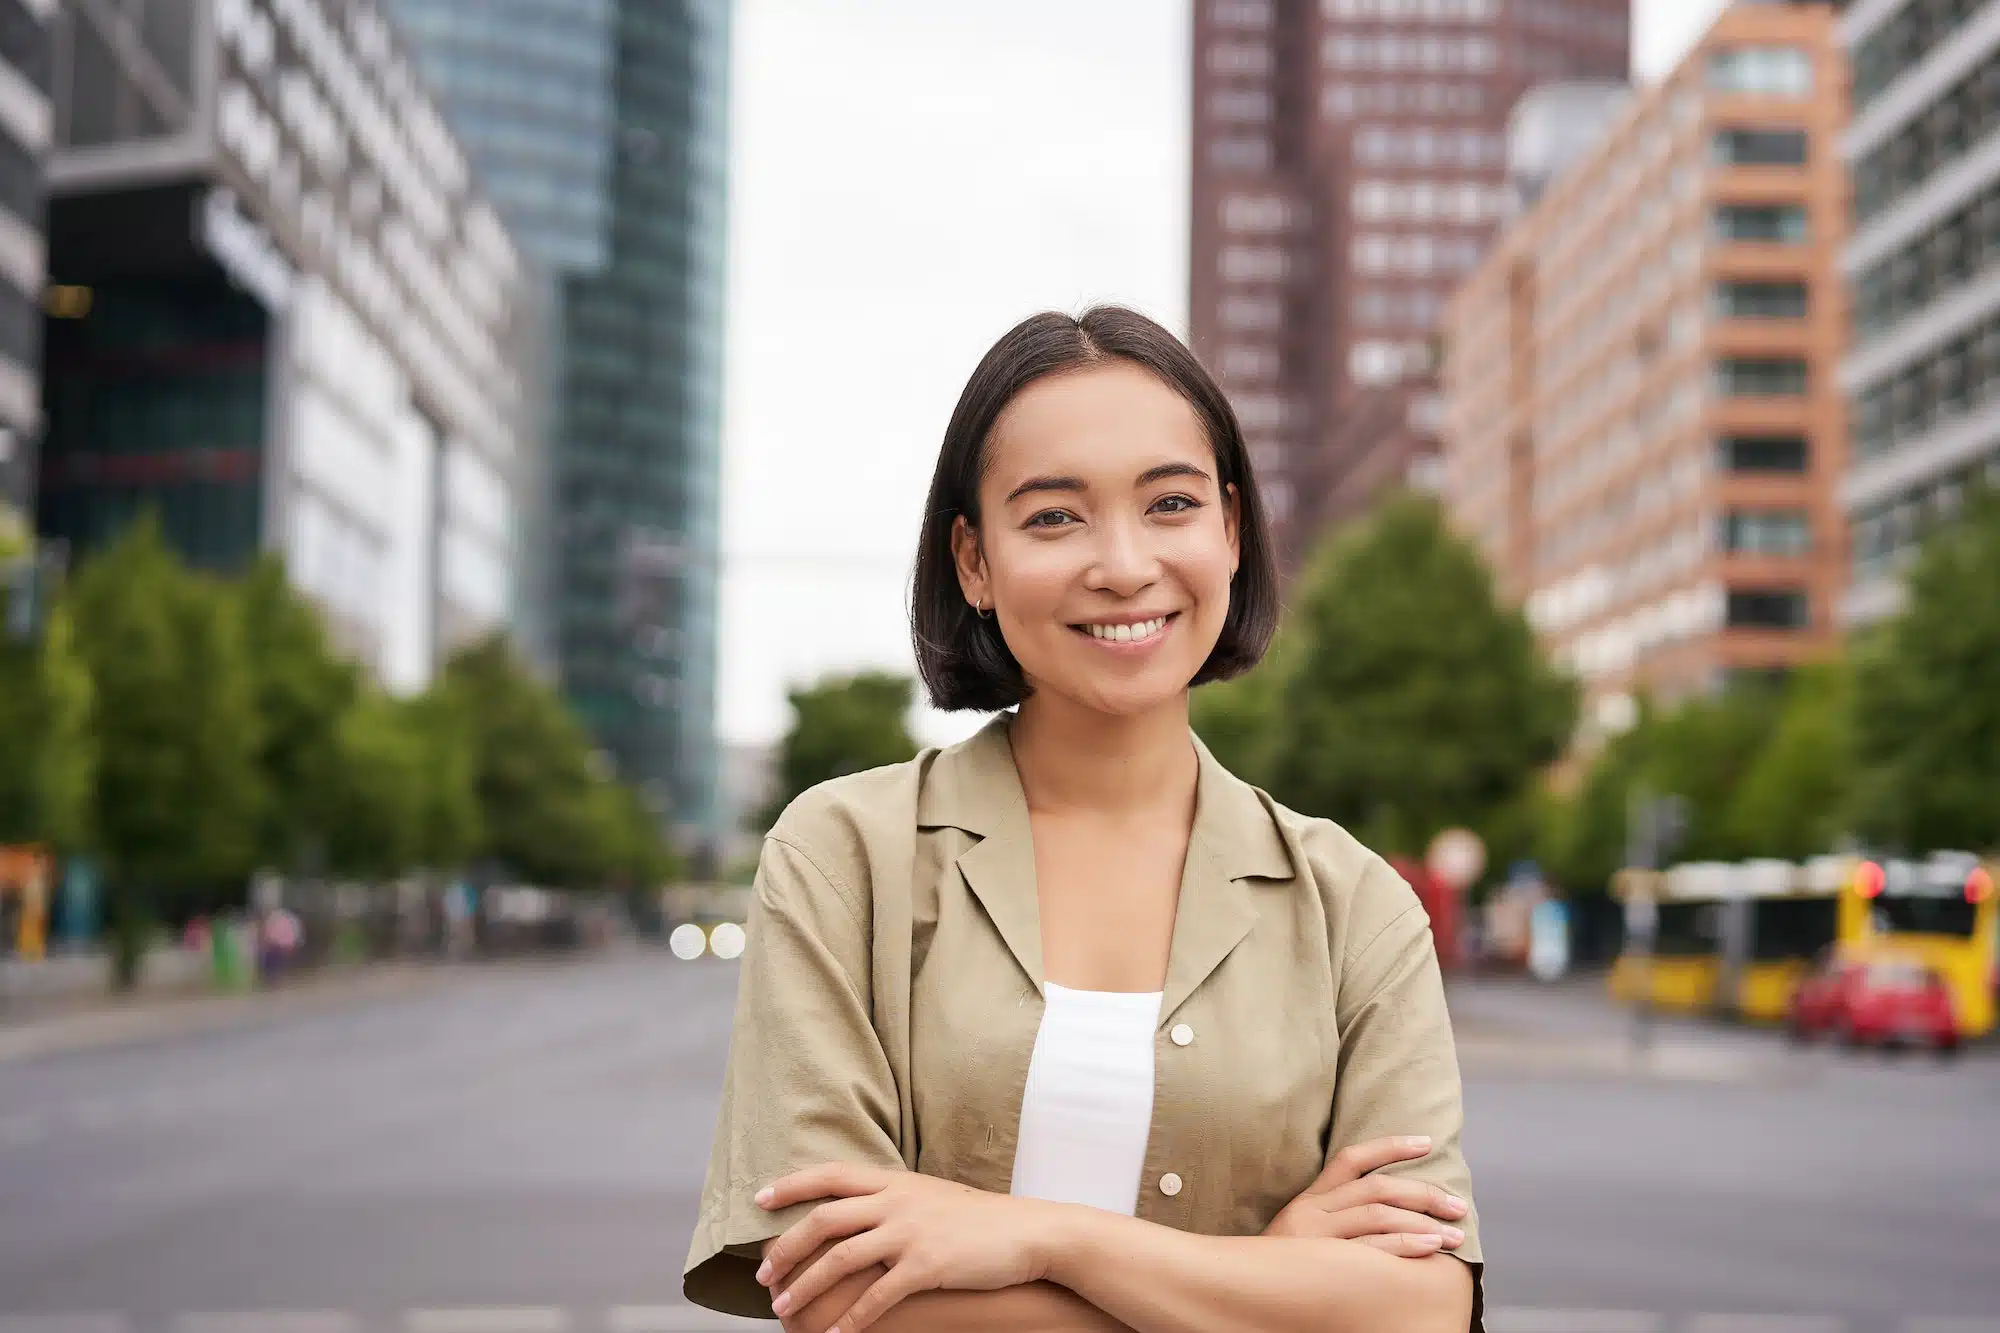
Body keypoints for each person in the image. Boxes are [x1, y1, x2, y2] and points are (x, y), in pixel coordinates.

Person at [685, 307, 1483, 1332]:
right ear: (972, 560)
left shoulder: (1351, 901)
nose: (1120, 564)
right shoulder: (845, 854)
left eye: (1170, 504)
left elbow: (1418, 1309)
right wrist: (1264, 1279)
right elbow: (835, 1288)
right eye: (1053, 517)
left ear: (1229, 531)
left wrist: (1039, 1236)